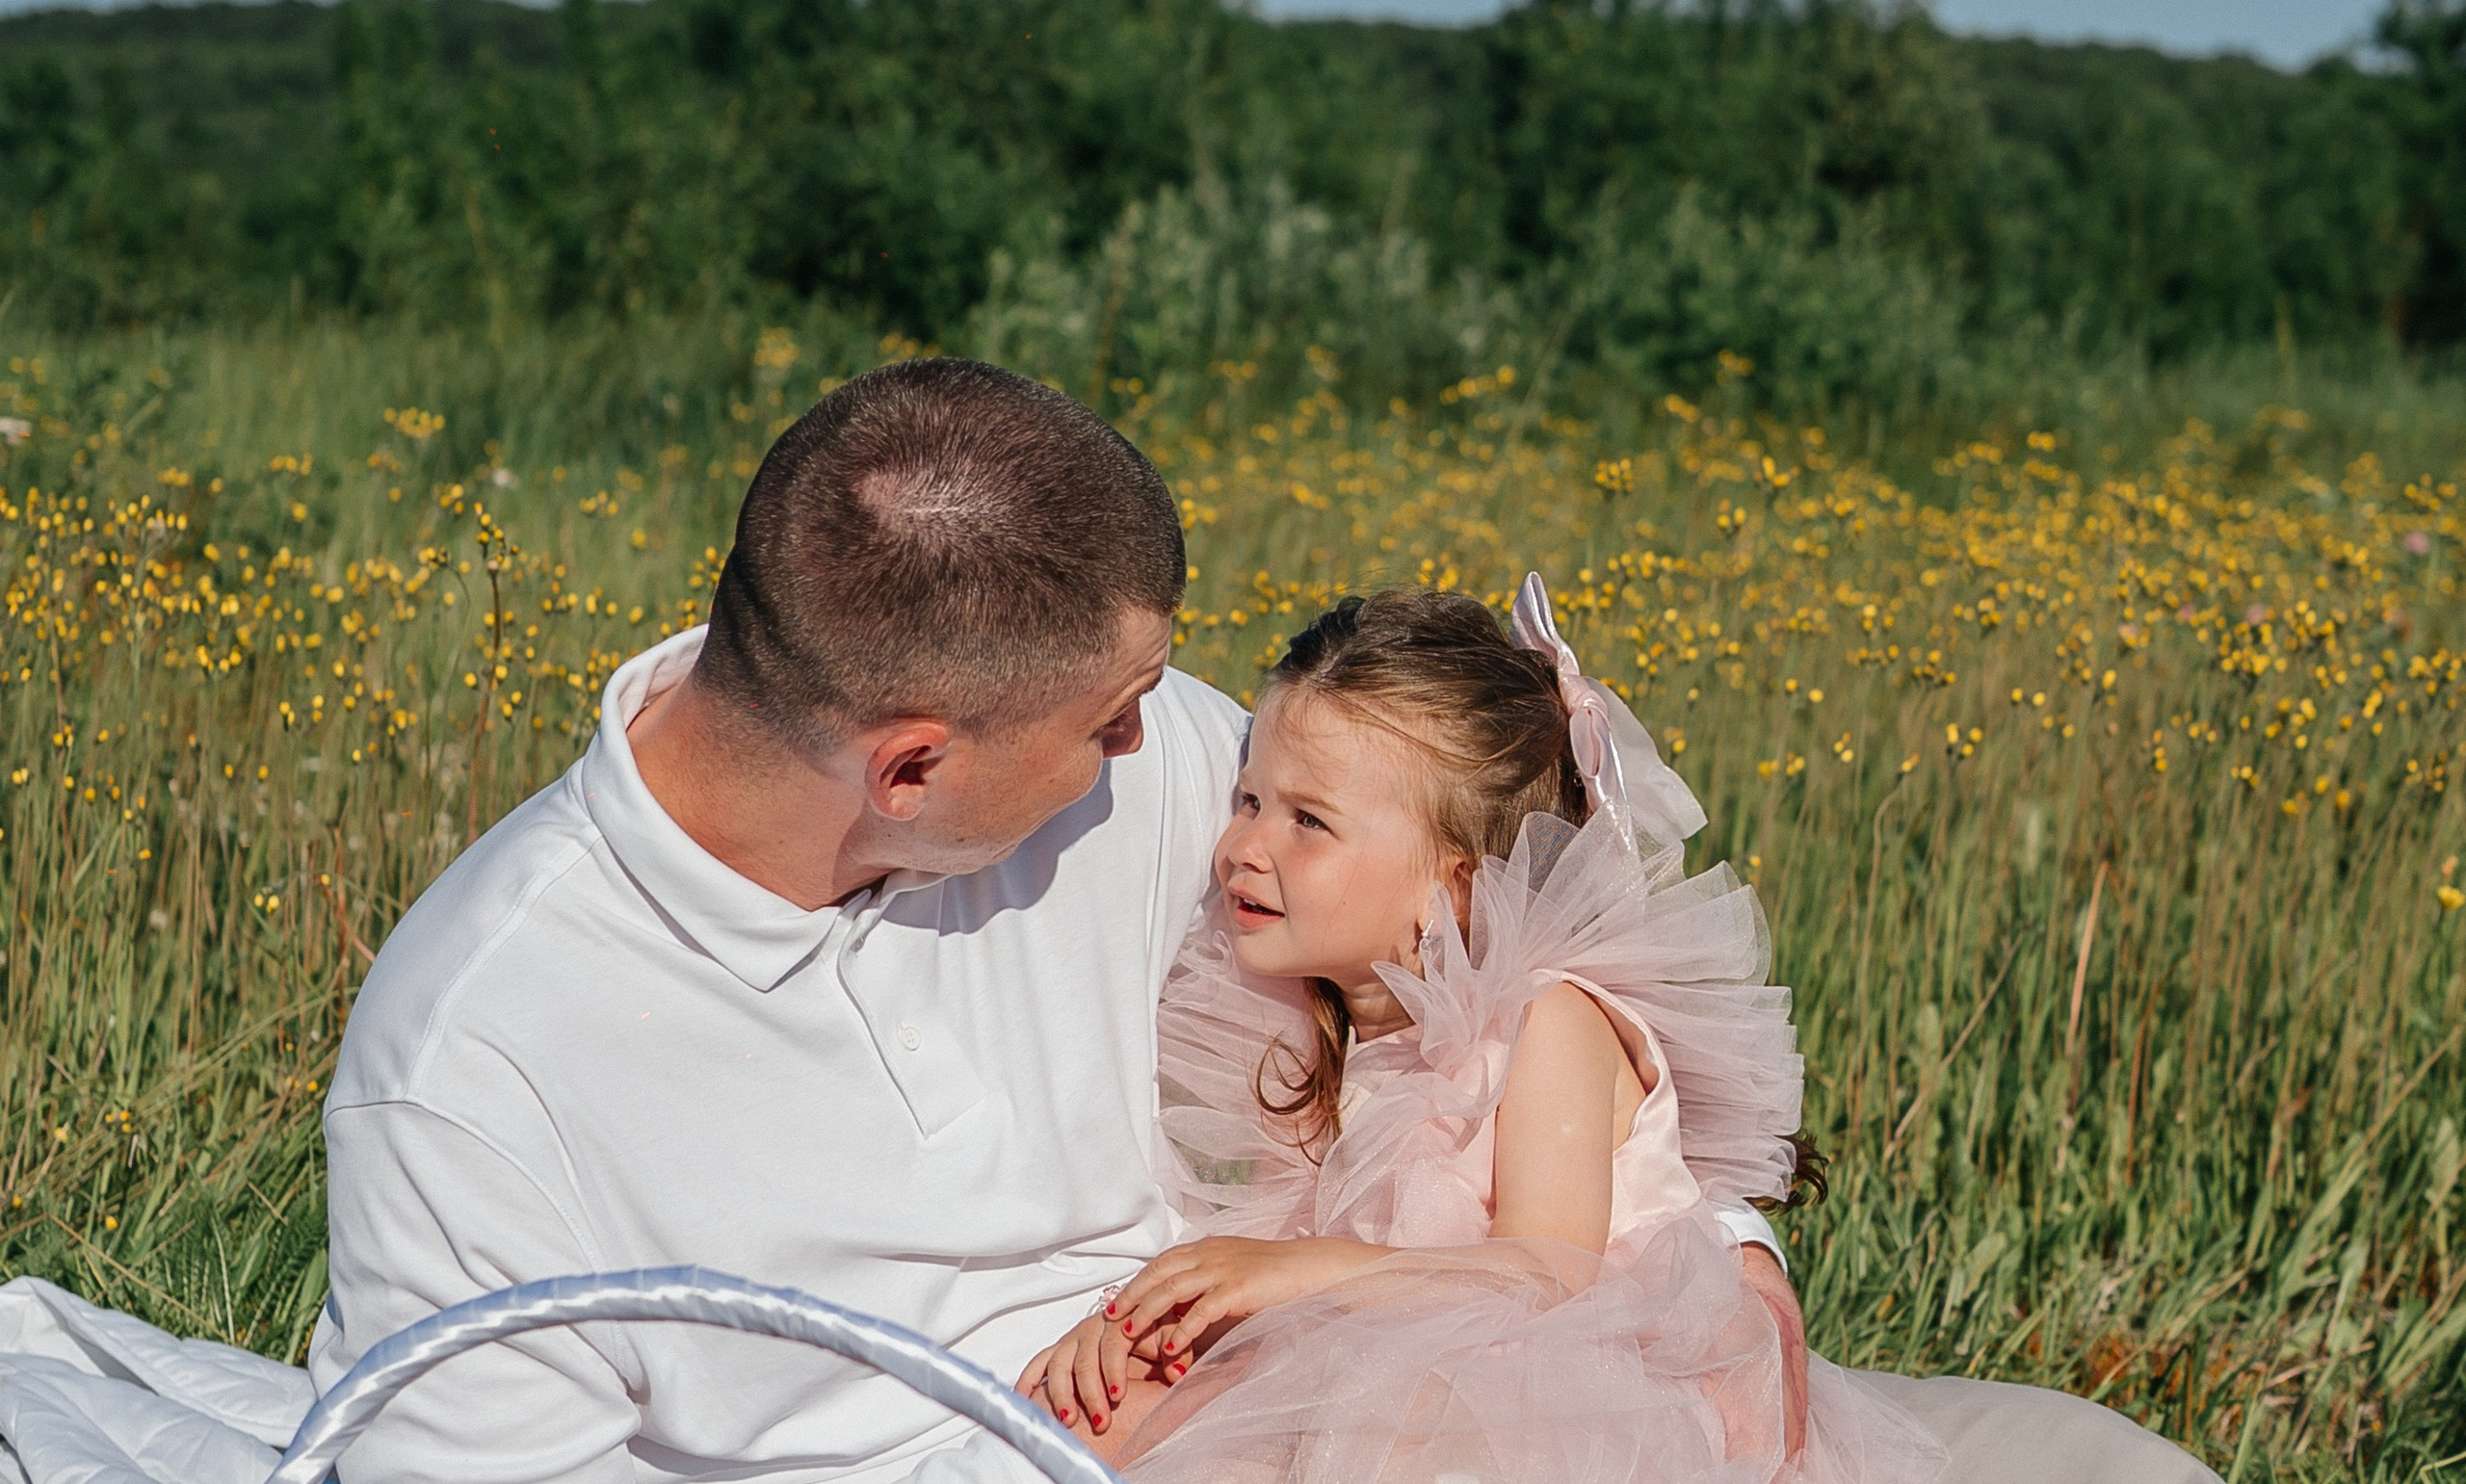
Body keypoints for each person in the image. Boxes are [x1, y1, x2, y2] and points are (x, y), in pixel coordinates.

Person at [307, 356, 2217, 1483]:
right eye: (1117, 722)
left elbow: (1482, 932)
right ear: (907, 763)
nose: (1172, 754)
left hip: (1339, 1400)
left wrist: (1669, 1261)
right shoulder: (481, 1063)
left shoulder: (1134, 776)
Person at [1010, 583, 1942, 1482]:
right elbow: (1277, 1262)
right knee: (1126, 1418)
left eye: (1308, 822)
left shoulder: (1549, 1020)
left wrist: (1290, 1274)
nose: (1242, 849)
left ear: (1450, 888)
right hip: (1395, 1339)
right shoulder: (1310, 1030)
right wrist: (1163, 1316)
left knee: (1417, 1434)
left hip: (1607, 1375)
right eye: (1249, 801)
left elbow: (1548, 1274)